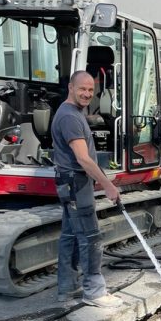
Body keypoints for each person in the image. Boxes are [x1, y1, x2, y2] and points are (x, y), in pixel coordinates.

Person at [51, 70, 123, 308]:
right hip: (75, 183)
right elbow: (83, 159)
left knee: (70, 237)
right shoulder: (70, 118)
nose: (87, 94)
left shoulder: (71, 113)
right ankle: (94, 291)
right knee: (90, 237)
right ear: (71, 87)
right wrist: (108, 185)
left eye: (91, 90)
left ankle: (67, 289)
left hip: (68, 182)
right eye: (82, 88)